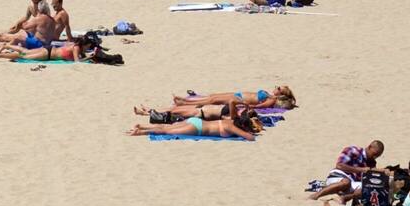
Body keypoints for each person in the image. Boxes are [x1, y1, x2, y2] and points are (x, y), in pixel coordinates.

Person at [310, 141, 387, 200]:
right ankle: (316, 195)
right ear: (370, 147)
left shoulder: (372, 162)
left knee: (370, 188)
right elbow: (339, 165)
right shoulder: (353, 150)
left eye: (377, 156)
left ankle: (344, 198)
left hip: (353, 183)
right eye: (374, 154)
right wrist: (360, 170)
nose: (375, 157)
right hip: (340, 175)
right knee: (346, 182)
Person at [127, 110, 261, 140]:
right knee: (166, 132)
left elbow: (232, 102)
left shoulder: (231, 120)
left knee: (167, 127)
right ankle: (139, 132)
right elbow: (250, 138)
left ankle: (142, 126)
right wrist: (252, 132)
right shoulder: (232, 127)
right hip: (197, 128)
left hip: (196, 121)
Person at [173, 86, 297, 109]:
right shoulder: (270, 96)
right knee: (213, 97)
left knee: (212, 101)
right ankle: (186, 101)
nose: (276, 87)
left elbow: (259, 106)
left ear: (281, 94)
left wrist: (247, 105)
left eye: (279, 88)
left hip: (240, 99)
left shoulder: (272, 100)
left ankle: (184, 103)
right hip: (238, 94)